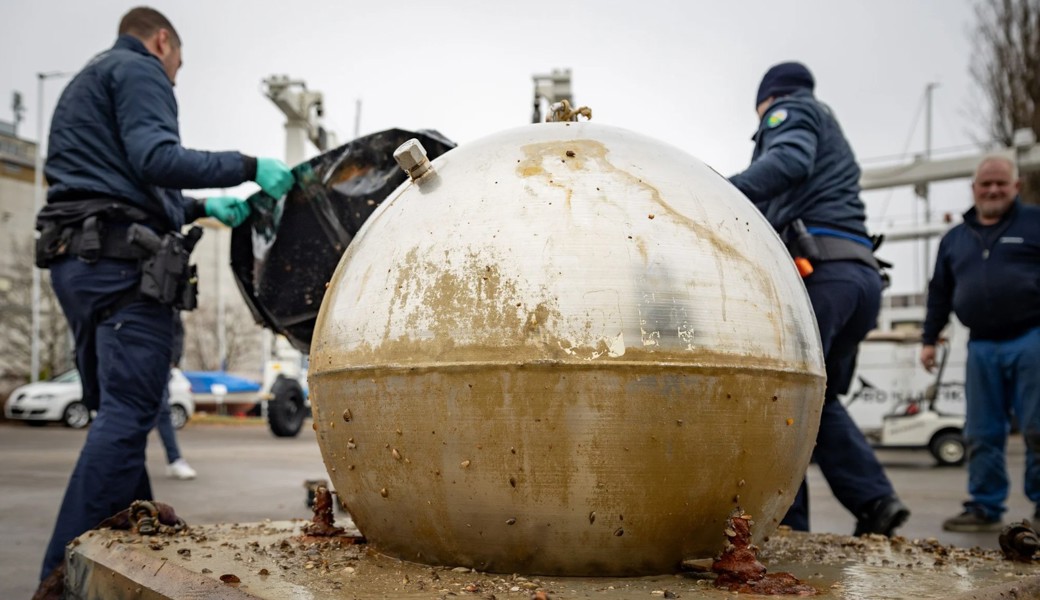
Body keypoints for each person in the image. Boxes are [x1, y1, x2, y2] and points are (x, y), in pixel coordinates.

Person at [33, 7, 294, 583]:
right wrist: (249, 166)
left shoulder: (87, 82)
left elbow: (123, 178)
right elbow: (156, 157)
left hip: (79, 262)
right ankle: (59, 580)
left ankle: (138, 546)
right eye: (178, 62)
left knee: (123, 412)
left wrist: (200, 208)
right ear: (162, 41)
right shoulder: (141, 70)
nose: (176, 76)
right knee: (128, 415)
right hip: (124, 269)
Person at [729, 61, 909, 536]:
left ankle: (788, 522)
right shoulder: (828, 129)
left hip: (822, 274)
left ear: (765, 100)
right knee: (820, 400)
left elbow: (788, 161)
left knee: (785, 397)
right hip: (859, 279)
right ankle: (876, 503)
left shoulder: (789, 111)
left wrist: (723, 194)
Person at [920, 155, 1040, 532]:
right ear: (973, 189)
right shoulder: (955, 239)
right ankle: (984, 506)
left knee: (1039, 427)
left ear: (1016, 187)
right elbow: (939, 292)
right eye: (985, 184)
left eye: (1000, 183)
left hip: (1032, 338)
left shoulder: (1035, 223)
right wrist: (928, 340)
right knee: (981, 431)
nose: (992, 190)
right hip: (981, 346)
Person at [157, 312, 196, 480]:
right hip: (126, 358)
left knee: (163, 411)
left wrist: (173, 358)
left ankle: (174, 459)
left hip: (159, 362)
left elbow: (177, 329)